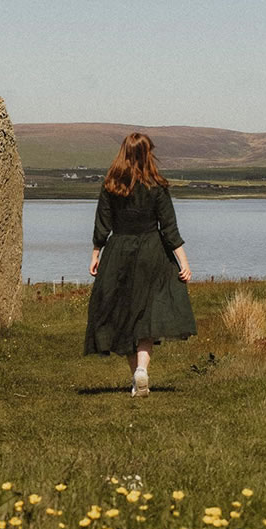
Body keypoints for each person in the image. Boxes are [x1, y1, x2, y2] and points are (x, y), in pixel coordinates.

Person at [84, 132, 196, 396]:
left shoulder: (111, 184)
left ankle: (136, 375)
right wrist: (184, 262)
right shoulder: (156, 185)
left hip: (119, 251)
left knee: (123, 315)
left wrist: (95, 252)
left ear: (123, 152)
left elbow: (103, 222)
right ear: (148, 154)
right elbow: (169, 228)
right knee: (147, 317)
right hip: (152, 253)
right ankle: (142, 371)